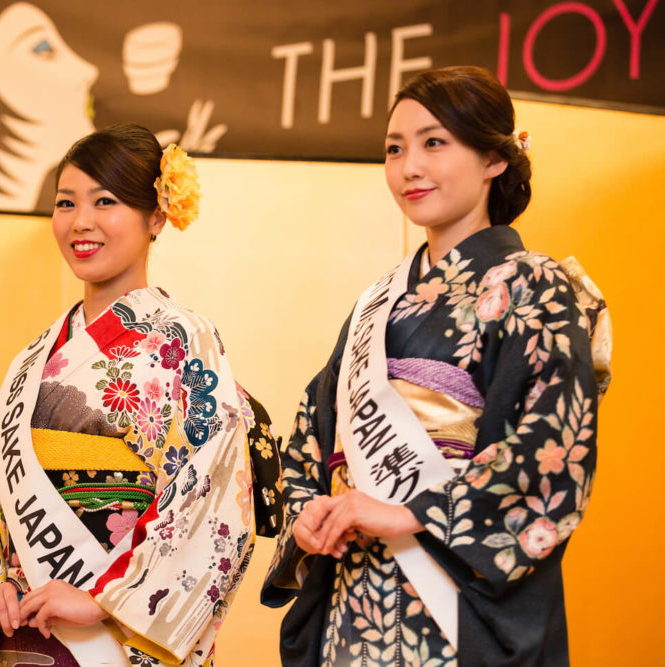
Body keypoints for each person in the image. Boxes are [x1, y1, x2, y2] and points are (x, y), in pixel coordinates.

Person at [261, 66, 611, 666]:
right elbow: (312, 432)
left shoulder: (535, 284)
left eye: (434, 143)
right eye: (394, 149)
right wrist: (308, 514)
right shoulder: (378, 302)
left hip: (451, 602)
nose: (409, 168)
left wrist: (408, 511)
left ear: (494, 158)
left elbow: (552, 445)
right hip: (354, 597)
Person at [0, 123, 282, 666]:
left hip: (113, 635)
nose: (80, 221)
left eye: (105, 201)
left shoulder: (185, 338)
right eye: (65, 203)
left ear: (156, 217)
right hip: (22, 629)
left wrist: (105, 599)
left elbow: (214, 487)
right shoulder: (32, 357)